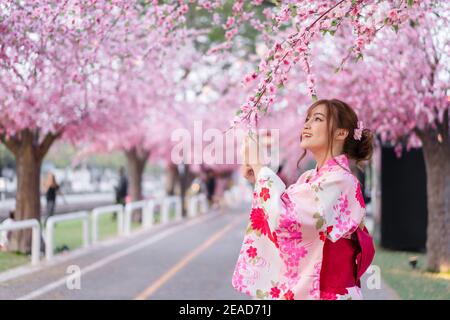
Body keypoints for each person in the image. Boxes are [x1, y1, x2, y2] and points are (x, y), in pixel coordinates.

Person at [233, 98, 375, 300]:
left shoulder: (342, 181)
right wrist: (258, 178)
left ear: (341, 132)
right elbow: (283, 211)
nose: (306, 125)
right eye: (307, 119)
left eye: (317, 119)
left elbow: (286, 217)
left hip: (331, 294)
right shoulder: (309, 178)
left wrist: (259, 166)